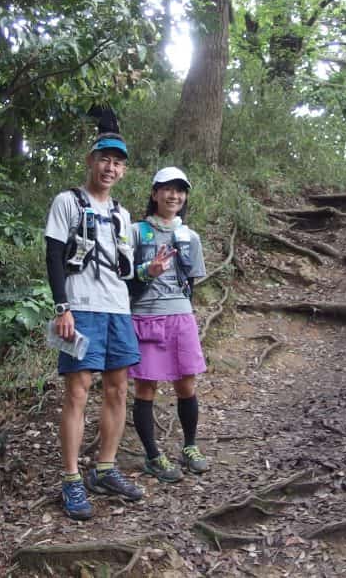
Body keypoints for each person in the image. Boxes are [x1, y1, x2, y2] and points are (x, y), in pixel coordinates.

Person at [44, 115, 144, 521]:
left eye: (118, 163)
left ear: (124, 169)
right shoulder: (66, 201)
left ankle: (104, 468)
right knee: (77, 391)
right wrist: (61, 307)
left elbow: (127, 273)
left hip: (117, 309)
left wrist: (147, 275)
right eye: (105, 159)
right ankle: (70, 479)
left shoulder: (123, 214)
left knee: (118, 390)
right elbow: (53, 255)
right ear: (91, 160)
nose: (110, 168)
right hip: (78, 308)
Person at [128, 167, 210, 483]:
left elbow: (191, 281)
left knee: (186, 383)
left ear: (185, 196)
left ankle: (190, 446)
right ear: (154, 194)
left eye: (180, 190)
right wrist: (148, 271)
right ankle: (152, 455)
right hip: (145, 315)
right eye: (167, 189)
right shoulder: (136, 232)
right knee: (146, 387)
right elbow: (124, 277)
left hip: (181, 315)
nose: (173, 195)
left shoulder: (190, 236)